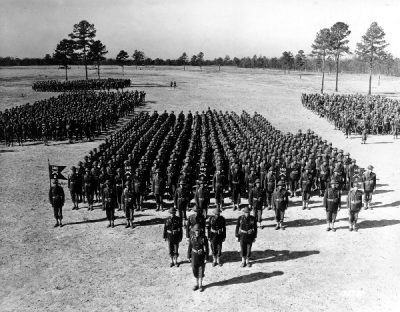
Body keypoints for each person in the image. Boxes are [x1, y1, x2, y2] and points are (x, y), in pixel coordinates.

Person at [190, 224, 209, 292]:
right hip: (194, 255)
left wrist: (206, 257)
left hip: (201, 256)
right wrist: (188, 256)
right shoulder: (192, 237)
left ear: (200, 230)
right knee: (194, 269)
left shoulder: (204, 238)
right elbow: (190, 246)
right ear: (194, 231)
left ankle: (200, 285)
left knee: (201, 270)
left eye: (198, 230)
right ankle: (196, 284)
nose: (197, 232)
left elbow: (206, 248)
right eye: (196, 231)